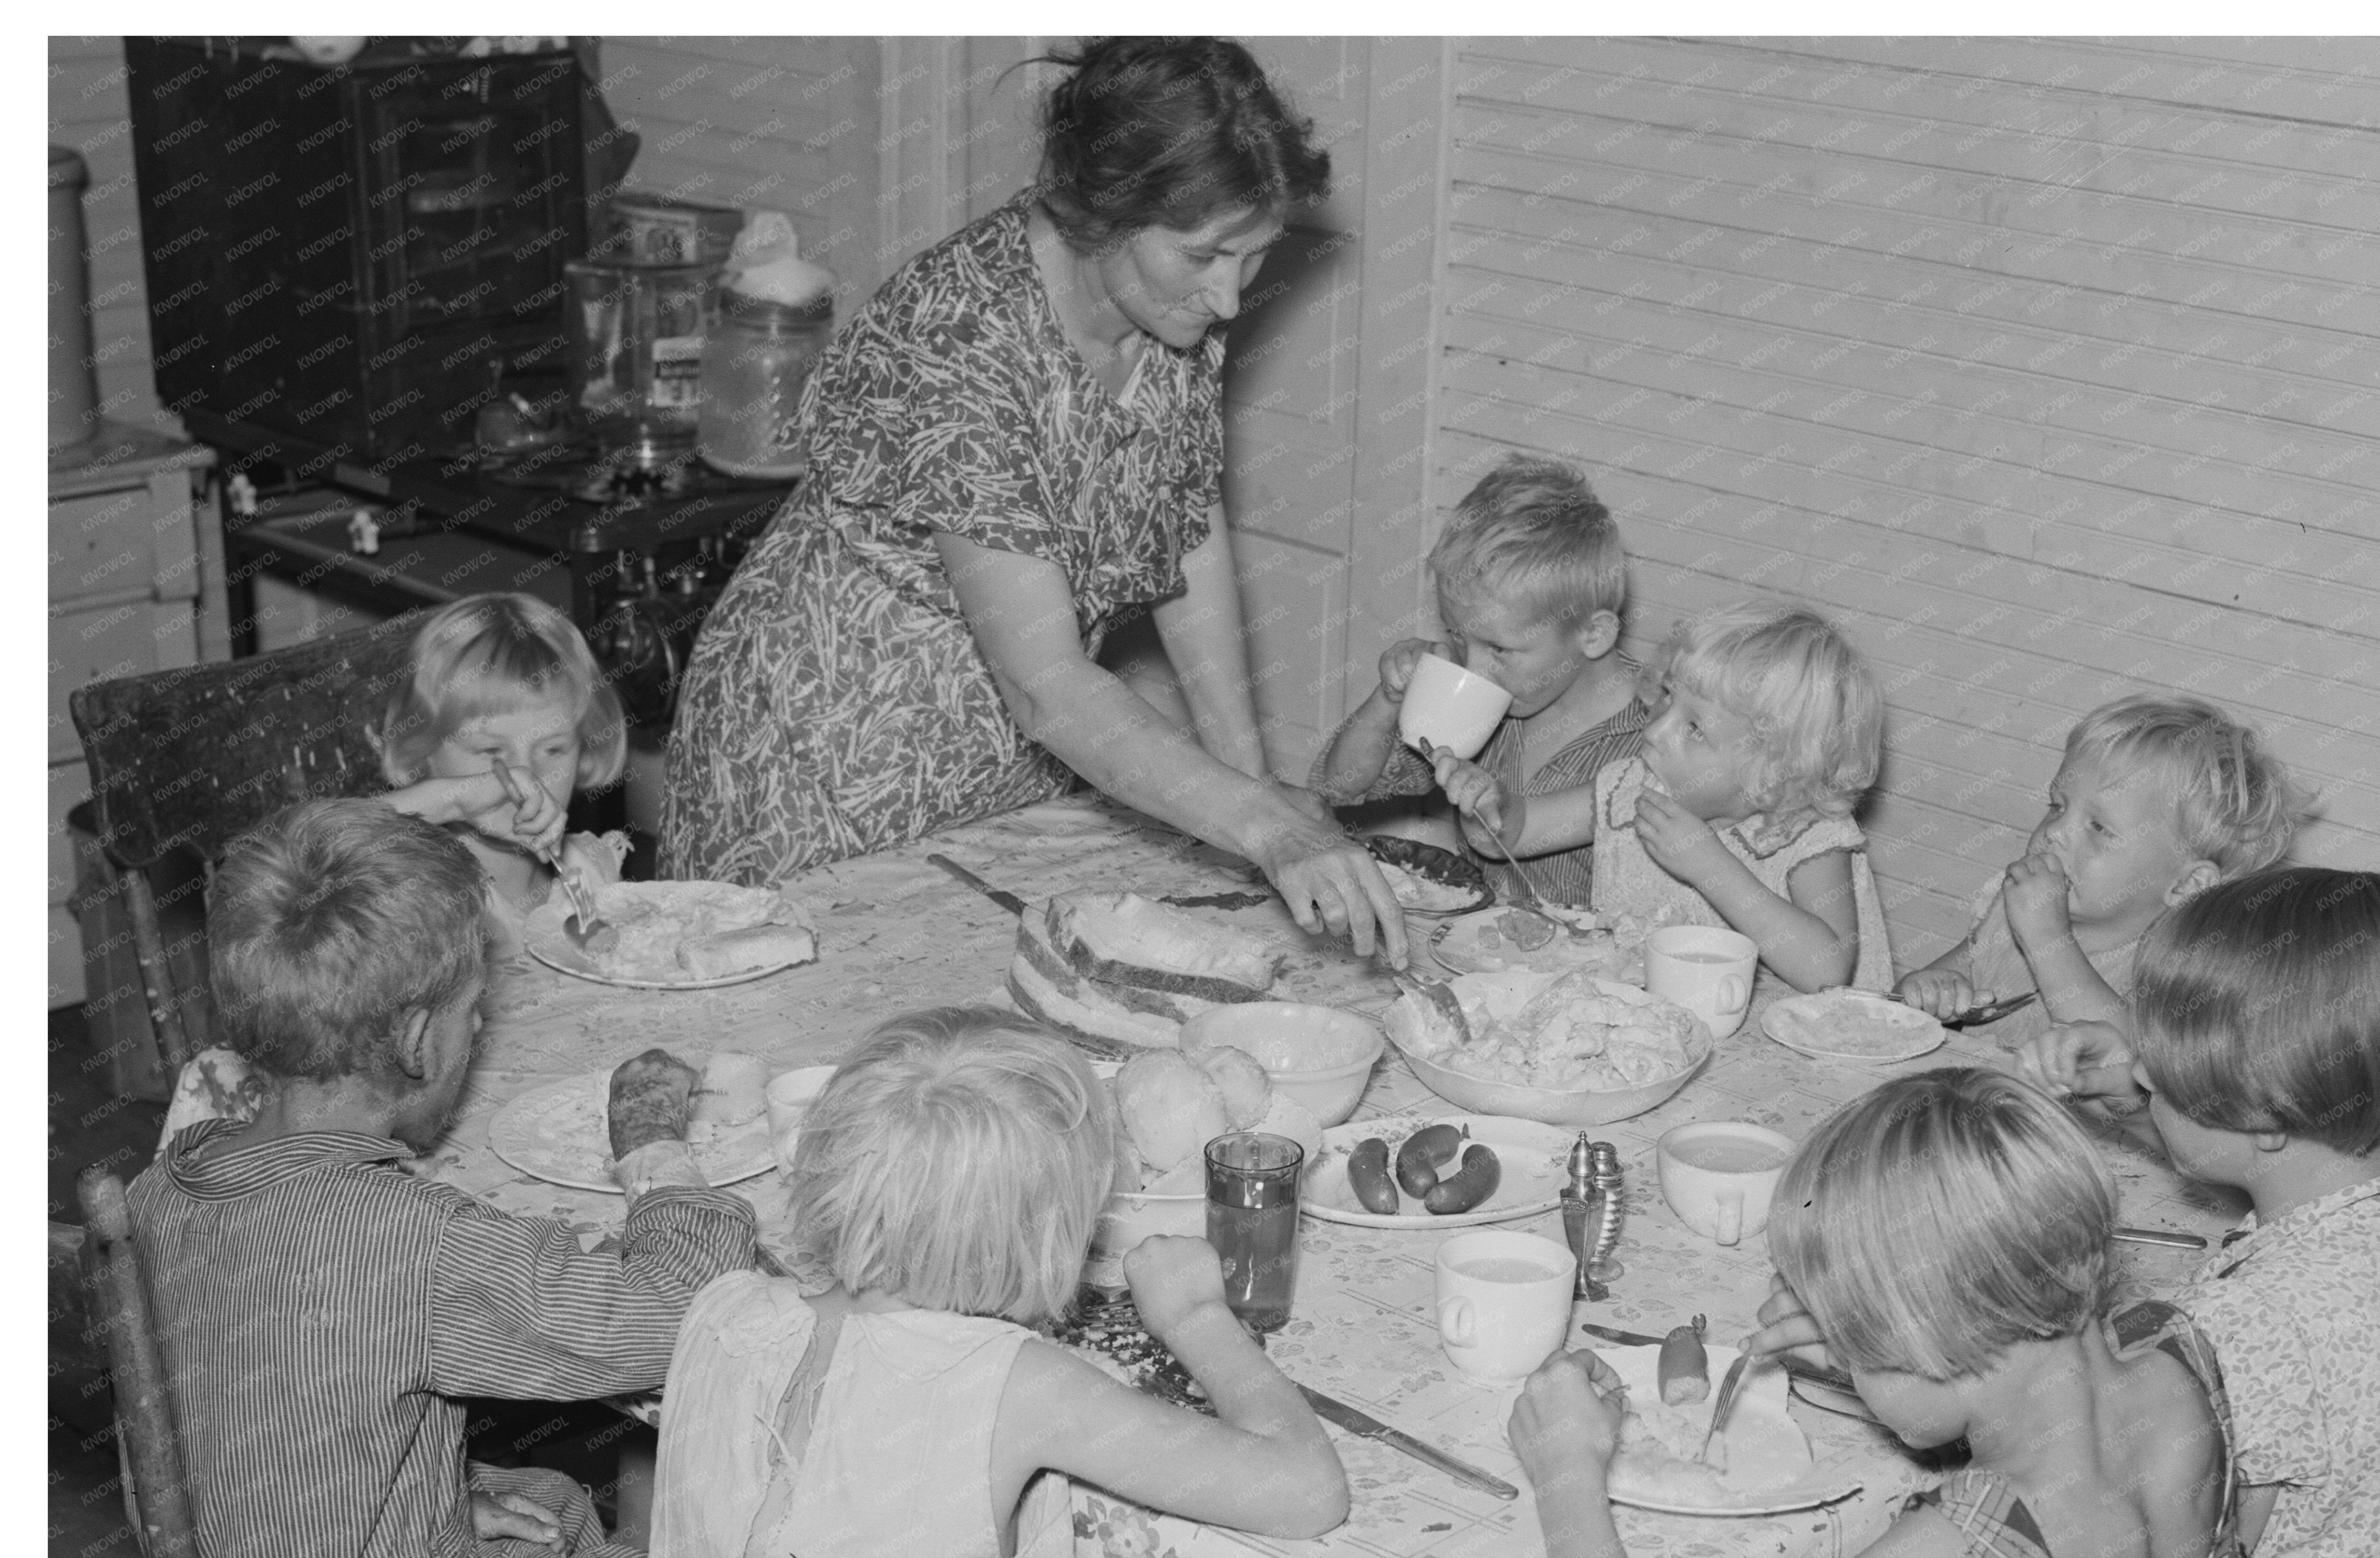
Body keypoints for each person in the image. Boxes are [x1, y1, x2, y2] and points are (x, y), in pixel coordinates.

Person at [662, 38, 1408, 964]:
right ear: (1104, 212)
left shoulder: (1168, 309)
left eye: (1251, 259)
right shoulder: (965, 337)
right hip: (823, 761)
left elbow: (1185, 534)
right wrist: (1262, 825)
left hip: (994, 763)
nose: (1227, 299)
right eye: (1206, 257)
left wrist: (1246, 771)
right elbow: (1047, 685)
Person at [123, 800, 757, 1558]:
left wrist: (446, 1501)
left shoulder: (170, 1187)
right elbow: (674, 1313)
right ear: (419, 1040)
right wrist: (653, 1147)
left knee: (546, 1499)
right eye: (474, 1016)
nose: (477, 1033)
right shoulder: (404, 1244)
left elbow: (237, 1420)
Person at [642, 1006, 1349, 1558]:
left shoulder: (718, 1313)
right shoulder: (1010, 1384)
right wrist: (1197, 1315)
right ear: (1053, 1233)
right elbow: (1307, 1491)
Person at [1517, 1068, 2236, 1558]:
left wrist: (1565, 1471)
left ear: (1922, 1337)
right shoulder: (2174, 1356)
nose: (1848, 1359)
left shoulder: (1971, 1542)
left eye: (1863, 1344)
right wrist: (1889, 1350)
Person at [2012, 868, 2380, 1558]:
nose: (2145, 1071)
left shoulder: (2250, 1343)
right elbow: (2272, 1139)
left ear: (2265, 1115)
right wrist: (2141, 1089)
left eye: (2167, 1072)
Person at [1311, 455, 1646, 908]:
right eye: (1458, 637)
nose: (1473, 669)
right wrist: (1390, 699)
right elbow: (1340, 784)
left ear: (1593, 634)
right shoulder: (1487, 705)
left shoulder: (1660, 740)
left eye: (1499, 650)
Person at [1894, 693, 2304, 1049]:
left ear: (2187, 885)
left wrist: (2047, 937)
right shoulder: (2009, 910)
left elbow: (2130, 1072)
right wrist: (1928, 993)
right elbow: (1915, 996)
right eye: (2057, 806)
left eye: (2099, 828)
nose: (2054, 832)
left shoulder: (2171, 971)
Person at [1587, 602, 1893, 990]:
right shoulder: (1633, 783)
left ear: (1770, 774)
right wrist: (1493, 802)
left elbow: (1826, 973)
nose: (1655, 732)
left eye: (1695, 728)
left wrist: (1709, 867)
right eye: (1667, 696)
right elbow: (1523, 828)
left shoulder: (1808, 838)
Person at [375, 593, 633, 963]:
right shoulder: (413, 895)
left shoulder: (591, 868)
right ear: (423, 752)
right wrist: (454, 800)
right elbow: (303, 849)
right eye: (491, 752)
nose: (525, 776)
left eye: (554, 750)